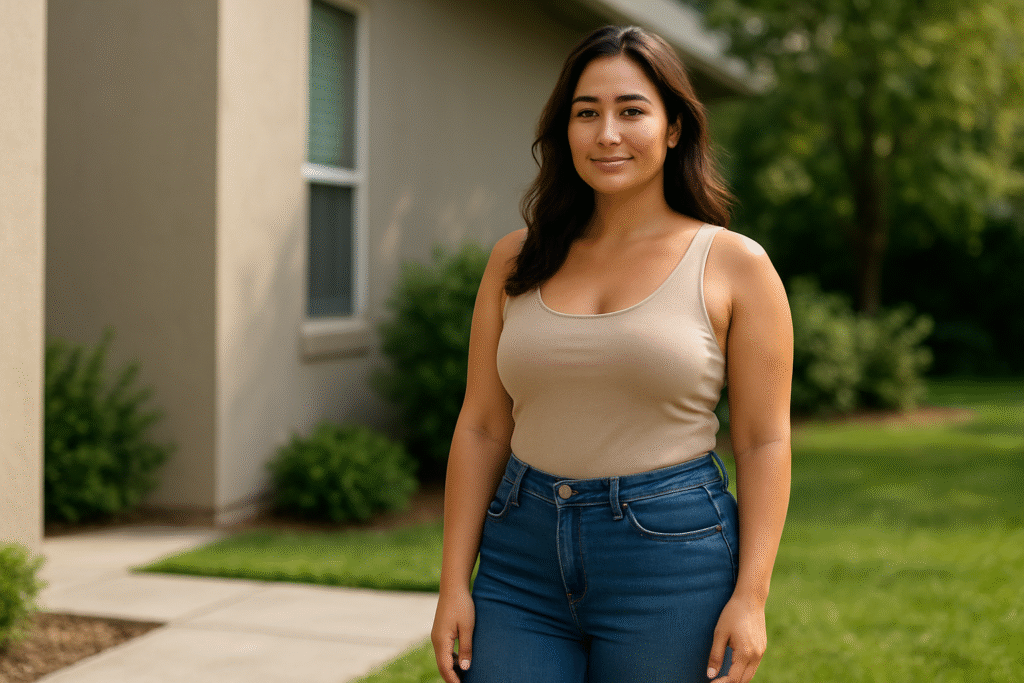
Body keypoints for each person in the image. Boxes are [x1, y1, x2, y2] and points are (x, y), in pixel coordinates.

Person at [431, 25, 792, 683]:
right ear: (564, 130)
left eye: (631, 110)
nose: (607, 134)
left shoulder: (735, 265)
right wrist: (454, 581)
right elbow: (483, 424)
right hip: (520, 557)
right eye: (586, 113)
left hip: (672, 558)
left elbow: (764, 440)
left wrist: (752, 594)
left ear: (674, 127)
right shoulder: (516, 259)